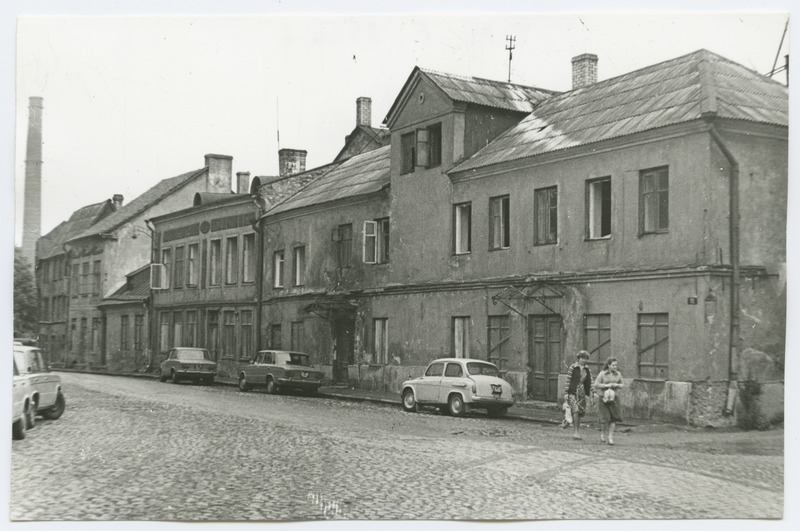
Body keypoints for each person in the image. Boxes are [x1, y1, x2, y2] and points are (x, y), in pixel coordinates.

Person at [594, 357, 624, 445]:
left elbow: (622, 384)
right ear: (608, 365)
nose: (615, 367)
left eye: (616, 365)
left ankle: (610, 437)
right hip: (604, 398)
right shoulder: (602, 374)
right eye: (613, 365)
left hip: (614, 398)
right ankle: (603, 433)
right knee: (605, 418)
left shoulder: (618, 374)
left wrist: (617, 385)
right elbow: (596, 384)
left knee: (613, 418)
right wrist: (606, 385)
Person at [563, 350, 593, 440]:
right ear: (578, 358)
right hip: (572, 391)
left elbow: (590, 381)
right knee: (575, 410)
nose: (583, 360)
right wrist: (566, 393)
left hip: (582, 392)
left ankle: (569, 422)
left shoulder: (587, 369)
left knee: (580, 412)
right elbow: (568, 380)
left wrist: (593, 392)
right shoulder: (573, 367)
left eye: (585, 358)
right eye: (582, 358)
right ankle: (575, 432)